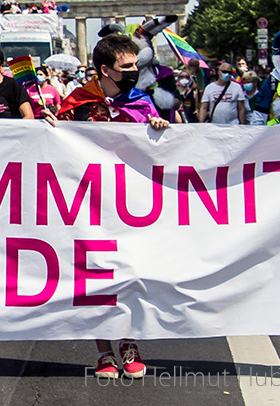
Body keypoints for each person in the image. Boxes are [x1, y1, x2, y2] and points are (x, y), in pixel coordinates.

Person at [55, 34, 169, 379]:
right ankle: (103, 351)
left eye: (136, 65)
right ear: (105, 69)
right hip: (87, 202)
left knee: (132, 273)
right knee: (94, 277)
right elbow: (57, 147)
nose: (135, 71)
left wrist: (159, 130)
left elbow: (160, 152)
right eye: (128, 66)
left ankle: (129, 342)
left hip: (130, 203)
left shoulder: (143, 103)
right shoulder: (75, 103)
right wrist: (49, 129)